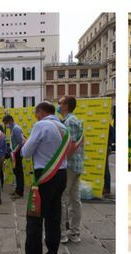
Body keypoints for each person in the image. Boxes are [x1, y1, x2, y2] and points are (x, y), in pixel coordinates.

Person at [13, 102, 68, 254]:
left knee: (34, 218)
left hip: (44, 175)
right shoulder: (62, 126)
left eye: (36, 113)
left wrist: (25, 142)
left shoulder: (41, 125)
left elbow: (26, 152)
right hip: (61, 174)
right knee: (53, 217)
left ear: (40, 112)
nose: (36, 116)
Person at [58, 96, 85, 243]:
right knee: (75, 199)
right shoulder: (76, 120)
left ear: (66, 105)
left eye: (60, 103)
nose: (58, 105)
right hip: (77, 165)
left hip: (69, 165)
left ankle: (63, 233)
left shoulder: (69, 122)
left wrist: (61, 161)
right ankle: (74, 232)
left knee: (63, 199)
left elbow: (72, 146)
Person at [2, 114, 25, 198]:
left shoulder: (16, 129)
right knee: (16, 172)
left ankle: (20, 192)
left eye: (6, 123)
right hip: (14, 153)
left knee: (19, 173)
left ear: (10, 121)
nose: (6, 125)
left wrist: (14, 152)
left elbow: (21, 143)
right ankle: (17, 190)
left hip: (17, 153)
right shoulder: (13, 128)